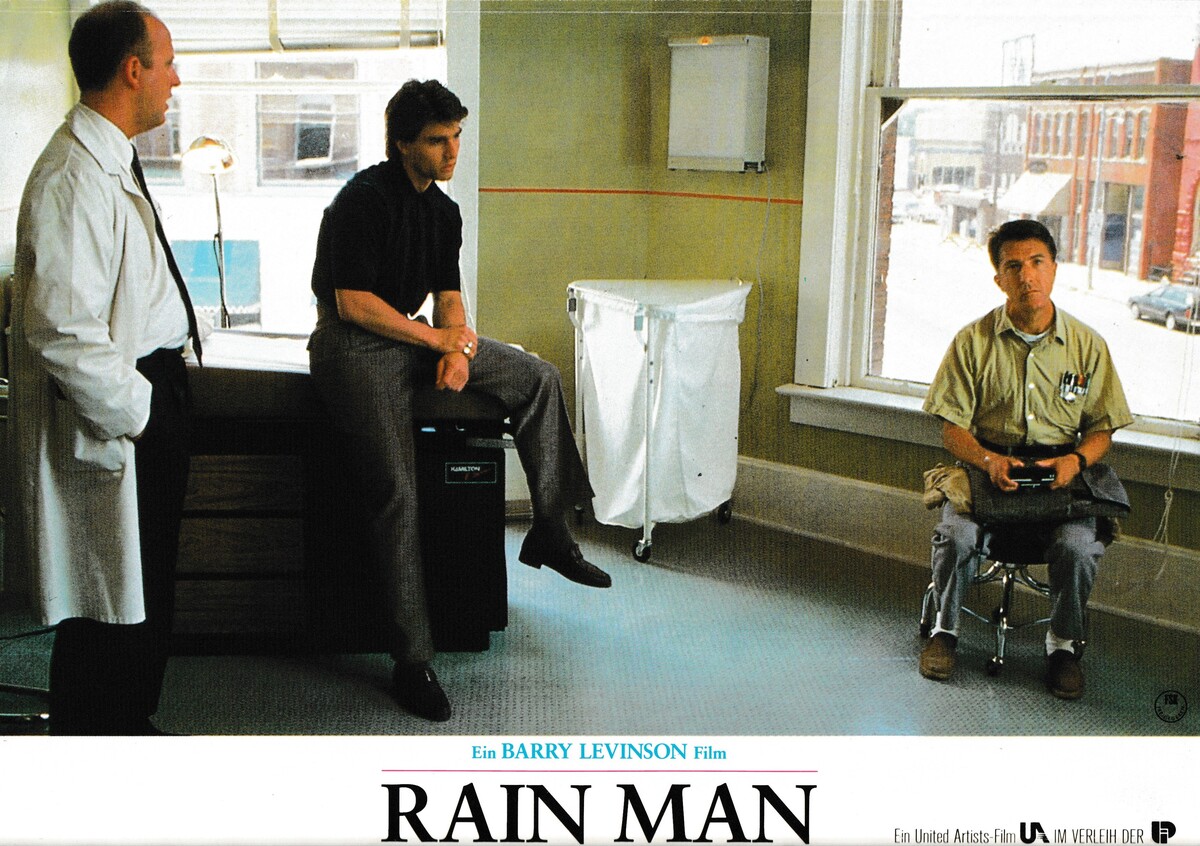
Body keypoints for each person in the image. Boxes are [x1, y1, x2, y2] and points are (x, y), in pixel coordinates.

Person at [308, 79, 611, 723]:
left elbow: (449, 299)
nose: (452, 152)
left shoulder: (444, 214)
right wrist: (437, 340)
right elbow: (352, 304)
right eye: (436, 141)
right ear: (401, 144)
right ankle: (413, 660)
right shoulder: (360, 200)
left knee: (538, 377)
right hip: (353, 347)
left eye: (456, 138)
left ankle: (551, 531)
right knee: (397, 492)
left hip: (414, 337)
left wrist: (458, 352)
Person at [8, 1, 202, 734]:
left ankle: (129, 725)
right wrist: (144, 414)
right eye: (168, 64)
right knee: (105, 604)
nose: (175, 80)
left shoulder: (108, 156)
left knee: (138, 588)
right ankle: (97, 746)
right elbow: (59, 329)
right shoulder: (72, 176)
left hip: (149, 391)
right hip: (125, 408)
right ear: (132, 69)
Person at [919, 219, 1133, 699]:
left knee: (1078, 548)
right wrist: (988, 460)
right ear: (999, 279)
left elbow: (1102, 428)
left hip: (1061, 473)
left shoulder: (1088, 346)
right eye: (1013, 266)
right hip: (988, 468)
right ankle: (944, 632)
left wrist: (1076, 462)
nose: (1027, 276)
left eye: (1037, 262)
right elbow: (951, 428)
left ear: (1054, 268)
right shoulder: (972, 342)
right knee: (955, 535)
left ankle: (1063, 647)